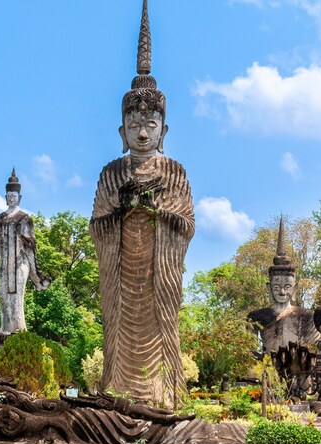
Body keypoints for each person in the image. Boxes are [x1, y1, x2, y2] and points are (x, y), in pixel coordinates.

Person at [90, 0, 193, 407]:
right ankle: (115, 393)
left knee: (162, 328)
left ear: (163, 129)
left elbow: (186, 224)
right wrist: (121, 210)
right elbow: (97, 224)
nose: (142, 131)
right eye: (134, 124)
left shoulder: (174, 172)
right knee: (117, 328)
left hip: (158, 274)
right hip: (121, 272)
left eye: (150, 124)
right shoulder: (111, 173)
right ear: (122, 129)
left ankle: (165, 397)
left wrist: (155, 211)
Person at [247, 220, 319, 398]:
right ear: (268, 287)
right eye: (277, 286)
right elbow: (249, 349)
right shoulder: (257, 316)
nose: (282, 290)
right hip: (266, 368)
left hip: (298, 370)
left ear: (294, 289)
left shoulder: (306, 316)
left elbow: (312, 350)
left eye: (287, 286)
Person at [0, 169, 48, 336]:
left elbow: (32, 244)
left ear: (19, 198)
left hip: (20, 262)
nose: (11, 198)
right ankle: (5, 327)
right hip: (4, 264)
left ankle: (18, 329)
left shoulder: (25, 219)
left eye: (14, 195)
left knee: (16, 297)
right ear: (5, 197)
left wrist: (27, 240)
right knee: (3, 297)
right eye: (9, 195)